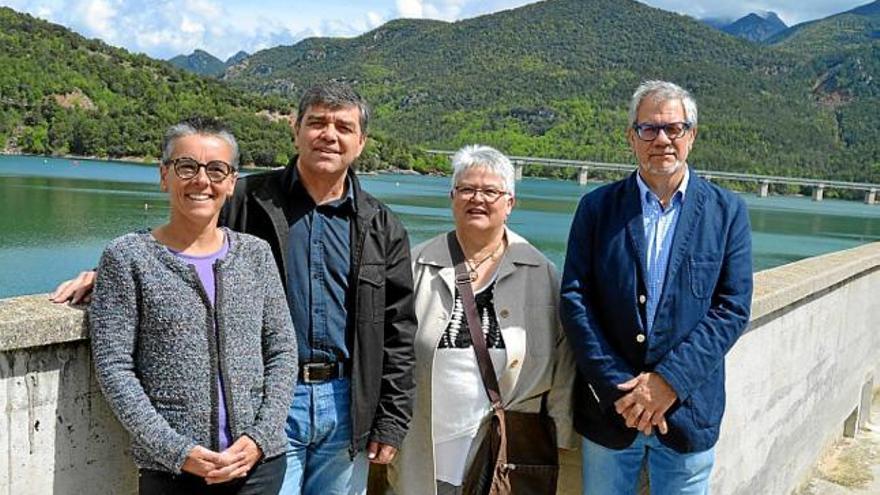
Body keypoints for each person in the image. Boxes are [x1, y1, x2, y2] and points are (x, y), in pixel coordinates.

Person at [54, 82, 417, 495]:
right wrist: (107, 275)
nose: (328, 135)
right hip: (271, 400)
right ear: (295, 129)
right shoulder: (247, 197)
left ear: (361, 142)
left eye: (343, 127)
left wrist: (391, 417)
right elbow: (187, 232)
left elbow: (398, 327)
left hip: (348, 401)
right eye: (316, 122)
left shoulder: (381, 224)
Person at [559, 80, 753, 494]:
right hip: (610, 414)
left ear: (692, 136)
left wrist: (668, 382)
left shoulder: (727, 212)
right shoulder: (596, 209)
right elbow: (576, 300)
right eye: (649, 129)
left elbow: (732, 308)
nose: (662, 139)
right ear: (631, 137)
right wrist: (620, 389)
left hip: (688, 412)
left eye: (674, 129)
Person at [89, 117, 297, 494]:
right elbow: (114, 367)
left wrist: (259, 439)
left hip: (258, 466)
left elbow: (282, 350)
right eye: (187, 167)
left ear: (232, 182)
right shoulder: (128, 258)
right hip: (171, 472)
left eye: (217, 169)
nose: (202, 181)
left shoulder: (256, 255)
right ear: (164, 175)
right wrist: (176, 450)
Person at [388, 145, 576, 495]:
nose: (478, 198)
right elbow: (390, 351)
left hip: (507, 446)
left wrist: (560, 431)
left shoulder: (541, 272)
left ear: (510, 203)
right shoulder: (415, 265)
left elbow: (565, 357)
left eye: (491, 191)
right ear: (452, 197)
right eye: (467, 189)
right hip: (427, 439)